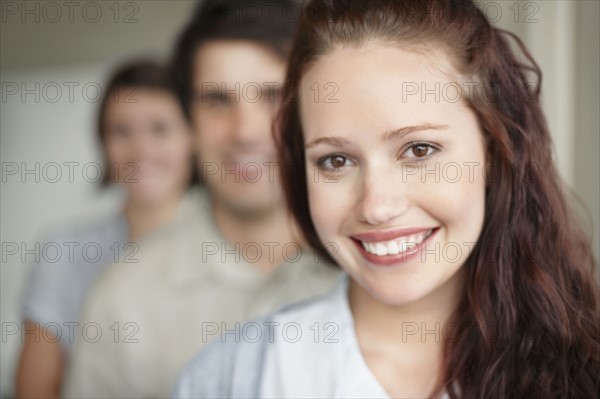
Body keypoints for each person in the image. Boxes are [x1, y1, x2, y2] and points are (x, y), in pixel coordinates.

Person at [174, 0, 600, 398]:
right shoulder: (225, 380)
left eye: (419, 150)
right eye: (336, 160)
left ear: (493, 149)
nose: (376, 206)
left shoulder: (585, 365)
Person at [62, 1, 340, 397]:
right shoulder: (123, 298)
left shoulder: (373, 267)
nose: (246, 131)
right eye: (217, 100)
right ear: (188, 119)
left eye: (272, 96)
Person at [15, 60, 197, 398]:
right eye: (121, 131)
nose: (141, 148)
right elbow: (35, 389)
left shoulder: (230, 245)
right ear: (103, 143)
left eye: (160, 128)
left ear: (193, 138)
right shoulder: (64, 250)